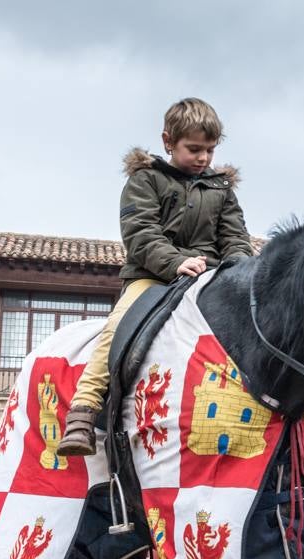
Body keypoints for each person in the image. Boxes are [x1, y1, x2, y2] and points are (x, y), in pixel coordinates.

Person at [57, 97, 252, 456]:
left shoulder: (222, 190)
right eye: (194, 149)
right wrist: (176, 262)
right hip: (152, 278)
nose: (203, 158)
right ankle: (82, 412)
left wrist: (238, 273)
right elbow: (141, 232)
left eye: (209, 150)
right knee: (119, 324)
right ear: (168, 141)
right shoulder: (145, 180)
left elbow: (236, 238)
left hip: (208, 280)